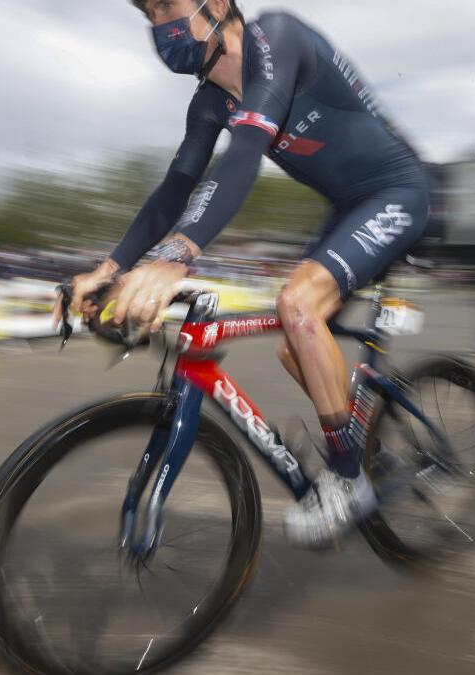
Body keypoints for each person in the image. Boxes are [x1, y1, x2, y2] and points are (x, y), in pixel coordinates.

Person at [54, 0, 430, 548]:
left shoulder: (276, 39)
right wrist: (110, 267)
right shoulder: (209, 103)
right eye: (148, 15)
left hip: (397, 192)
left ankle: (349, 480)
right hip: (348, 206)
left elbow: (244, 154)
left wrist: (176, 256)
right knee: (294, 342)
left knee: (297, 307)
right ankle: (365, 444)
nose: (158, 25)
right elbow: (175, 189)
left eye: (166, 5)